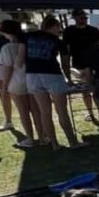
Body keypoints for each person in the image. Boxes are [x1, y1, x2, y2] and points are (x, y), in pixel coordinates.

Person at [25, 15, 85, 150]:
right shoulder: (58, 41)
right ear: (54, 26)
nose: (59, 30)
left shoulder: (29, 36)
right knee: (62, 111)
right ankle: (73, 142)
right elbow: (65, 64)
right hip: (52, 74)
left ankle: (54, 144)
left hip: (31, 75)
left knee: (44, 112)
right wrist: (69, 79)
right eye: (59, 27)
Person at [0, 20, 44, 148]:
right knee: (36, 110)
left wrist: (4, 87)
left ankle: (30, 138)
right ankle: (42, 137)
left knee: (24, 112)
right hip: (32, 80)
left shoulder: (7, 48)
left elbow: (7, 70)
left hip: (16, 83)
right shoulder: (28, 44)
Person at [62, 9, 99, 122]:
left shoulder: (93, 30)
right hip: (79, 64)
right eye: (81, 17)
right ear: (74, 18)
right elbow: (66, 50)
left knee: (96, 90)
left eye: (85, 17)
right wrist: (68, 70)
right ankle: (91, 113)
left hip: (94, 63)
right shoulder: (69, 31)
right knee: (86, 90)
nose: (83, 19)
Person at [0, 21, 13, 131]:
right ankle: (8, 120)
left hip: (12, 67)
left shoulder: (13, 36)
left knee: (18, 95)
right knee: (3, 94)